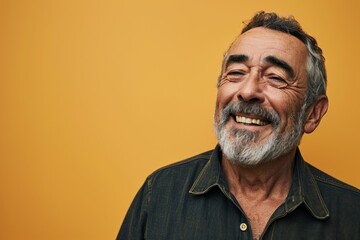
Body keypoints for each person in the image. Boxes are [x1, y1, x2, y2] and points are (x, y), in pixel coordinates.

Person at [116, 11, 360, 240]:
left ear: (312, 113)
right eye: (236, 72)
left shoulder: (352, 215)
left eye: (275, 77)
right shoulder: (158, 194)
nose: (248, 91)